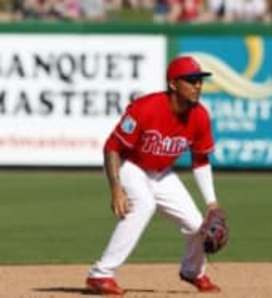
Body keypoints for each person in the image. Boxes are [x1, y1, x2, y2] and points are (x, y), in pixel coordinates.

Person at [85, 56, 222, 295]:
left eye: (199, 81)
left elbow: (200, 159)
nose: (197, 85)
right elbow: (112, 147)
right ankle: (101, 274)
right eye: (191, 80)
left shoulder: (199, 115)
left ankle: (193, 271)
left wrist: (212, 202)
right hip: (131, 165)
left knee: (197, 224)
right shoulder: (146, 108)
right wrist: (116, 188)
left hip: (161, 173)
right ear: (173, 84)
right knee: (144, 205)